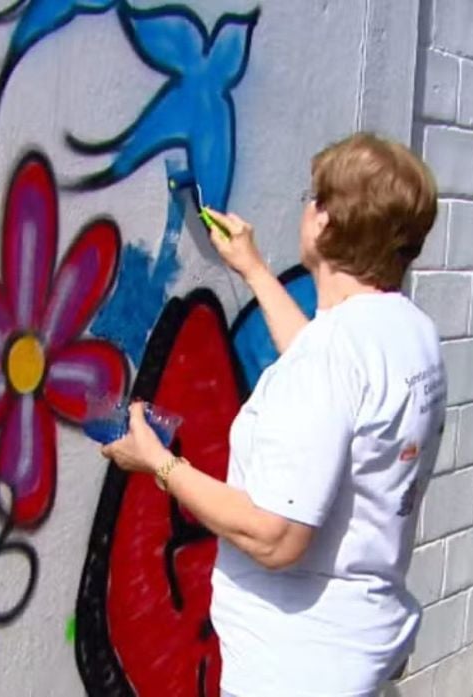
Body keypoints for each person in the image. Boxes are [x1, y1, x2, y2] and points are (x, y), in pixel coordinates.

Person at [101, 132, 445, 697]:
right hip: (357, 650)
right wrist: (256, 272)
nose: (305, 208)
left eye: (313, 198)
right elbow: (329, 377)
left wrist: (157, 464)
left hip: (295, 671)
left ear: (326, 224)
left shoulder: (333, 359)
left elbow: (274, 537)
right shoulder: (409, 332)